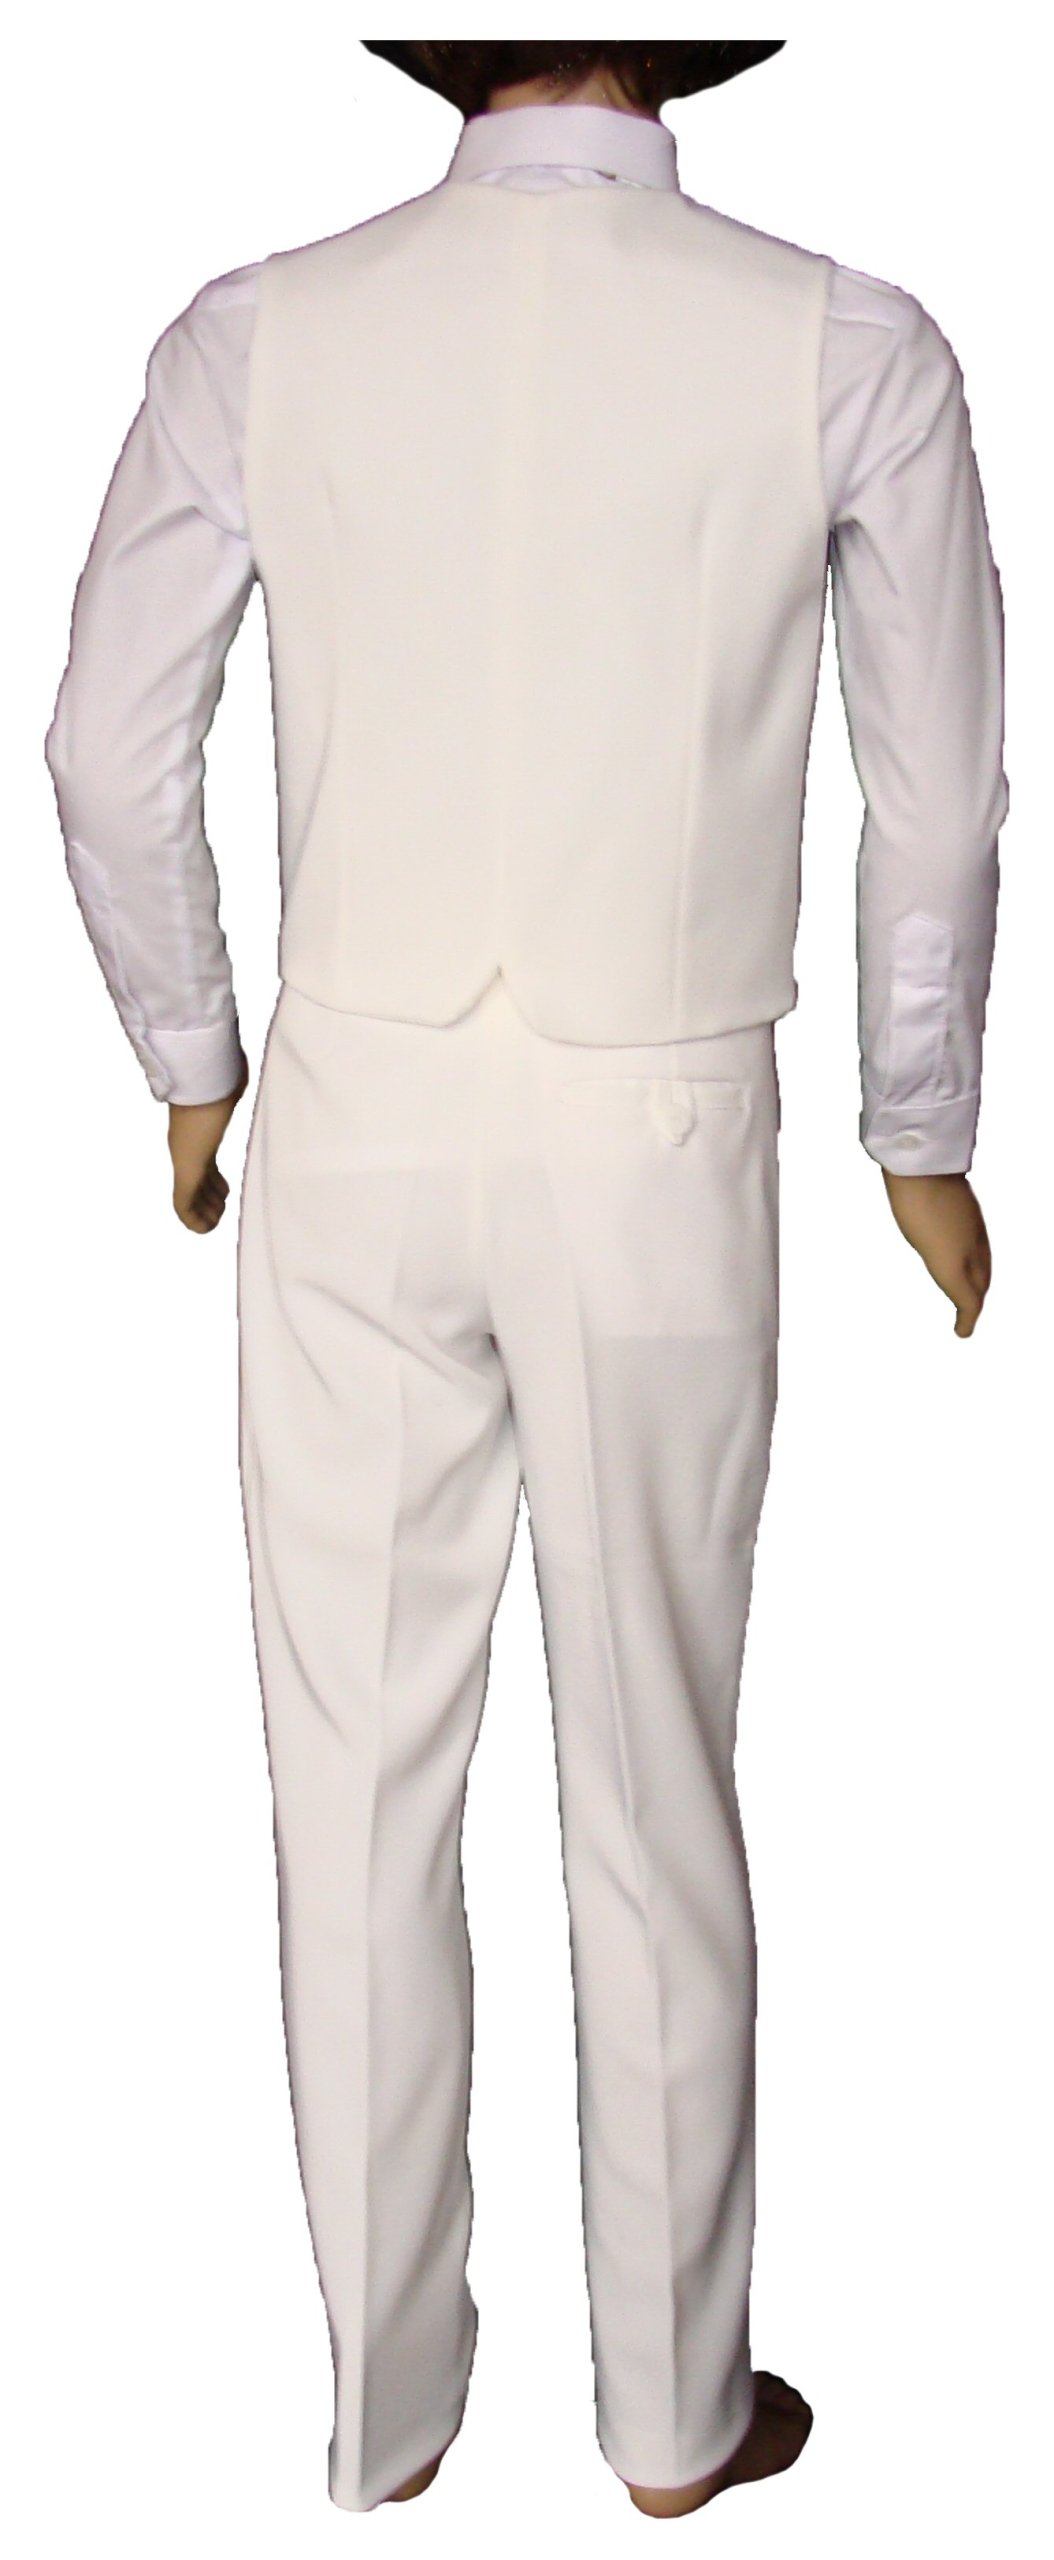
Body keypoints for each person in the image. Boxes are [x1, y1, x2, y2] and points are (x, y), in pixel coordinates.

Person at [42, 37, 1008, 2520]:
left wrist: (190, 1055)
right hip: (654, 1130)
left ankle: (383, 2421)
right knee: (652, 1783)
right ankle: (673, 2418)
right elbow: (932, 799)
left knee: (348, 1789)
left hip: (350, 1120)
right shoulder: (847, 343)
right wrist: (918, 1127)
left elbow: (103, 744)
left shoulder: (263, 329)